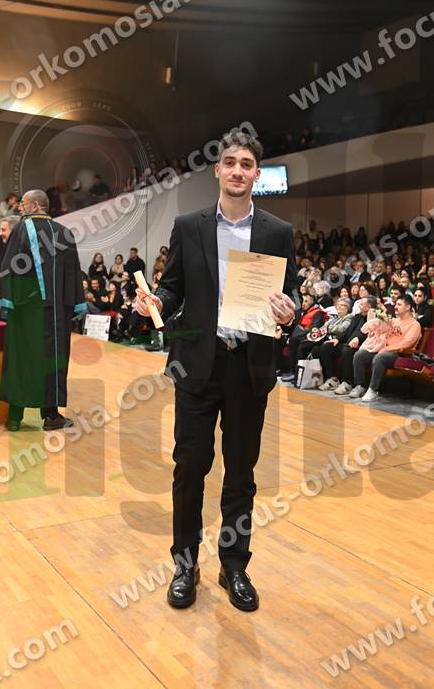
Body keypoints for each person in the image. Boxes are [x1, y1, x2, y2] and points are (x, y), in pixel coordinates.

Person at [134, 131, 297, 612]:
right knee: (190, 468)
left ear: (256, 173)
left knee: (241, 473)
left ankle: (234, 566)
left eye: (246, 163)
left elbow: (291, 294)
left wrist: (290, 310)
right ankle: (185, 565)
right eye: (230, 162)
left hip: (249, 367)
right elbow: (173, 288)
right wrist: (155, 302)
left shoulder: (278, 231)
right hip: (197, 367)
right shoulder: (189, 226)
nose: (237, 170)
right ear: (217, 170)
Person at [0, 189, 86, 432]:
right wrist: (74, 304)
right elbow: (74, 273)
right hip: (57, 314)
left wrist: (4, 300)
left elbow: (9, 265)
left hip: (27, 310)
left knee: (21, 359)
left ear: (35, 205)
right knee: (53, 361)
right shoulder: (65, 233)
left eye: (23, 204)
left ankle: (15, 417)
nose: (20, 208)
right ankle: (51, 417)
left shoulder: (23, 229)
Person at [350, 295, 421, 402]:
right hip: (381, 348)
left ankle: (373, 390)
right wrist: (375, 330)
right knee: (360, 355)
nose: (395, 307)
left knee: (380, 358)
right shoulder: (393, 321)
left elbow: (406, 343)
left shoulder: (414, 325)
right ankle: (360, 385)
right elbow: (382, 331)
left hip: (399, 353)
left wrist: (387, 349)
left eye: (399, 304)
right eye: (396, 304)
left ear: (408, 307)